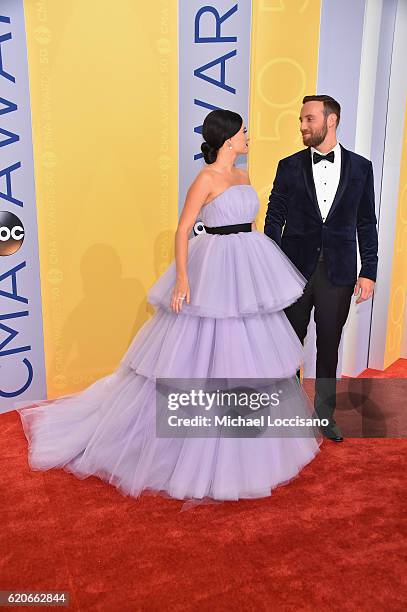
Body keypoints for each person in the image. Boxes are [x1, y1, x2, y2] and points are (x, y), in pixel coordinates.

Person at [15, 109, 323, 510]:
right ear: (229, 138)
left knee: (248, 360)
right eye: (244, 131)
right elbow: (183, 229)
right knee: (200, 362)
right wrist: (182, 279)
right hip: (211, 268)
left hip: (245, 265)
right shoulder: (206, 179)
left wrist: (259, 273)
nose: (248, 136)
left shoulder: (244, 176)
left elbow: (250, 225)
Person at [264, 95, 379, 442]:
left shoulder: (362, 168)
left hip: (339, 274)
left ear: (331, 120)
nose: (302, 126)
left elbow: (366, 222)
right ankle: (288, 412)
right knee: (287, 344)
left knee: (329, 346)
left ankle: (324, 415)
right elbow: (274, 216)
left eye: (309, 119)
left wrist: (369, 270)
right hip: (293, 272)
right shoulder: (288, 165)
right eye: (301, 119)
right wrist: (272, 262)